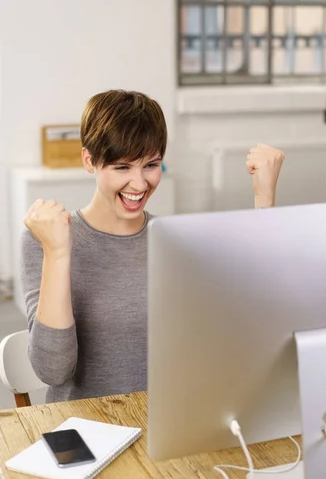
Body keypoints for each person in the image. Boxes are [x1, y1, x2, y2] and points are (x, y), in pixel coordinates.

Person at [22, 90, 285, 402]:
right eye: (122, 167)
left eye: (151, 164)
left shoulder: (174, 242)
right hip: (83, 431)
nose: (140, 183)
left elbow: (252, 316)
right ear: (89, 161)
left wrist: (264, 197)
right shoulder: (45, 240)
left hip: (161, 428)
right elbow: (53, 371)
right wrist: (58, 253)